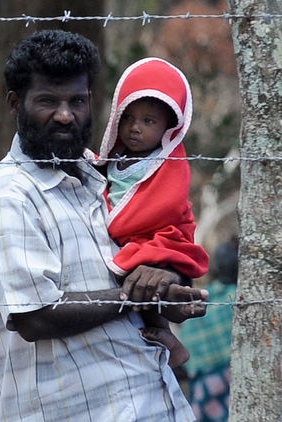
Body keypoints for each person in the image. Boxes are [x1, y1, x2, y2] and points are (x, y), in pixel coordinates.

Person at [0, 30, 209, 422]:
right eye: (48, 101)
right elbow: (34, 316)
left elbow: (149, 253)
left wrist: (170, 280)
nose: (65, 115)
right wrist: (134, 296)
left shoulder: (100, 179)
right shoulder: (9, 198)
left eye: (77, 101)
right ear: (15, 104)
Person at [97, 57, 210, 368]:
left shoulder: (167, 162)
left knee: (143, 275)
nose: (135, 128)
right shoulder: (115, 158)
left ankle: (171, 339)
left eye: (149, 122)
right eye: (128, 117)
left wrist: (118, 224)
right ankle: (162, 334)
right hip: (135, 236)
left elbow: (166, 205)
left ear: (168, 127)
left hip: (162, 235)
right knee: (137, 276)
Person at [179, 237, 238, 422]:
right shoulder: (244, 300)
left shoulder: (205, 298)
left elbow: (185, 352)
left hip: (203, 386)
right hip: (233, 384)